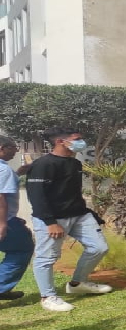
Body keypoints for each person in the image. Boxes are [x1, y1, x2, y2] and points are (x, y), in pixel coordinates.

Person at [26, 128, 112, 312]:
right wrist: (50, 222)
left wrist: (88, 213)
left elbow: (71, 192)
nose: (82, 142)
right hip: (52, 218)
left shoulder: (75, 163)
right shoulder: (43, 164)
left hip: (79, 215)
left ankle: (77, 283)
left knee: (99, 247)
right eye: (77, 139)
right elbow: (36, 196)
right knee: (46, 258)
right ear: (60, 141)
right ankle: (48, 297)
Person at [0, 136, 33, 300]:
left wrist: (18, 173)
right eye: (12, 147)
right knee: (21, 249)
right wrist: (3, 223)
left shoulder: (5, 170)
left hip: (8, 218)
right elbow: (1, 197)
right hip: (5, 220)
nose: (15, 150)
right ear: (1, 148)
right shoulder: (4, 170)